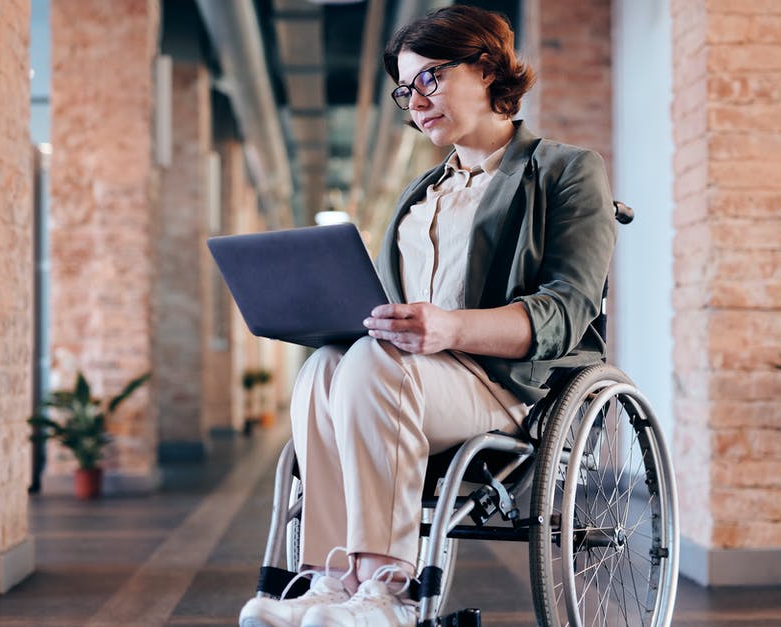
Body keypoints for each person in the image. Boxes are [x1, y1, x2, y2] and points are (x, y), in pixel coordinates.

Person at [240, 5, 616, 627]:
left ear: (487, 67)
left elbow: (567, 310)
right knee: (323, 366)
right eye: (404, 89)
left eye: (430, 79)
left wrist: (449, 327)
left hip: (501, 385)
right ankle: (331, 581)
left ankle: (386, 589)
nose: (414, 101)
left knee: (372, 365)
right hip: (407, 379)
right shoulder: (421, 194)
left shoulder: (565, 170)